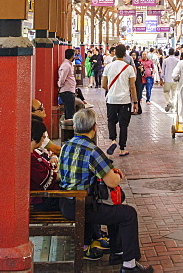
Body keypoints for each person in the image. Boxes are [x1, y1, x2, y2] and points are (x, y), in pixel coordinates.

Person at [59, 109, 154, 272]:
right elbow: (111, 182)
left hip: (65, 204)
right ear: (94, 127)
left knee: (116, 210)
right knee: (128, 214)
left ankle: (118, 251)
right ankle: (129, 265)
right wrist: (117, 175)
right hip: (83, 206)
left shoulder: (65, 146)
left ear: (75, 127)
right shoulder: (92, 150)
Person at [102, 45, 138, 157]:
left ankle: (113, 140)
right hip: (125, 101)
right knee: (123, 125)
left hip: (111, 99)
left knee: (111, 121)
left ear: (115, 53)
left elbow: (103, 85)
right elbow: (132, 87)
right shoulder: (129, 68)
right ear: (124, 54)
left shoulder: (108, 67)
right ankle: (122, 149)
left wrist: (112, 90)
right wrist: (135, 102)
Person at [30, 118, 62, 212]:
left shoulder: (34, 153)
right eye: (43, 137)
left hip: (47, 195)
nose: (43, 139)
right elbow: (49, 179)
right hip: (43, 200)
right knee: (82, 204)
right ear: (34, 138)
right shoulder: (30, 159)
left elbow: (48, 166)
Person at [59, 48, 78, 123]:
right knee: (70, 112)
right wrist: (59, 85)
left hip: (69, 90)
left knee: (70, 110)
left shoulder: (68, 65)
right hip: (67, 91)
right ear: (72, 56)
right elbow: (62, 78)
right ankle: (68, 129)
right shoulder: (66, 65)